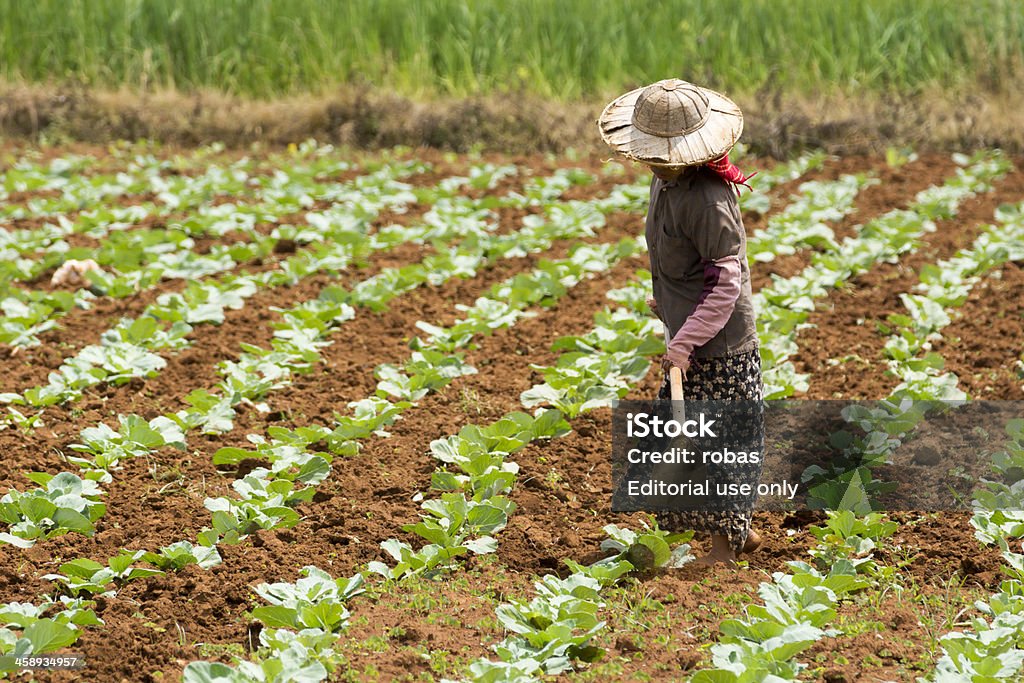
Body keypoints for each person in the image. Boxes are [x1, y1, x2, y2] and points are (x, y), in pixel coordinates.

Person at [598, 78, 764, 566]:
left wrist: (685, 340)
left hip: (720, 349)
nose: (645, 160)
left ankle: (723, 552)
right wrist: (666, 305)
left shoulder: (710, 200)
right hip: (688, 335)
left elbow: (724, 285)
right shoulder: (665, 182)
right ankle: (740, 535)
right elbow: (681, 262)